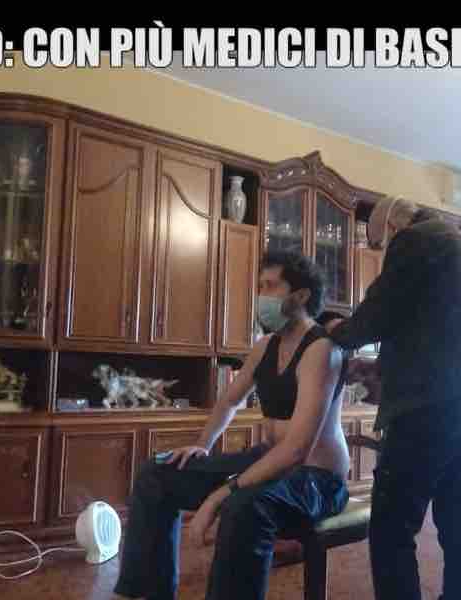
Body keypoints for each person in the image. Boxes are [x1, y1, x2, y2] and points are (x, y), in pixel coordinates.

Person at [114, 251, 350, 600]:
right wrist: (203, 444)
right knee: (156, 474)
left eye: (270, 286)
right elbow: (230, 400)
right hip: (271, 459)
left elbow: (297, 449)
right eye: (260, 286)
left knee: (244, 506)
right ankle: (146, 593)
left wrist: (222, 494)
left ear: (300, 296)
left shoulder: (321, 350)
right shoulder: (265, 346)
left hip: (318, 479)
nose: (260, 295)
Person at [326, 196, 461, 600]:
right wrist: (381, 368)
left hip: (427, 414)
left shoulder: (413, 241)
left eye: (378, 245)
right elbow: (439, 332)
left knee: (392, 527)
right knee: (458, 519)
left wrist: (335, 330)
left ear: (391, 228)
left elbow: (376, 316)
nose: (382, 253)